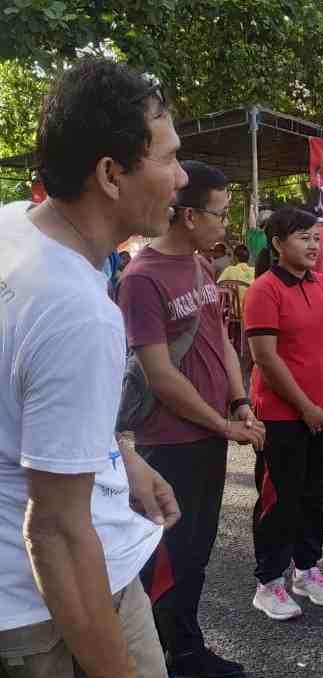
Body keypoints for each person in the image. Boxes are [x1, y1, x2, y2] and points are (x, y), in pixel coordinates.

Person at [0, 57, 184, 678]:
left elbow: (29, 393)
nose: (181, 177)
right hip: (47, 605)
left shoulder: (11, 225)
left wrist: (118, 457)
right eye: (168, 158)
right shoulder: (78, 312)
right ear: (110, 174)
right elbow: (53, 531)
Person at [118, 160, 265, 677]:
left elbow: (219, 338)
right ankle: (160, 655)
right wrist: (223, 425)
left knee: (198, 548)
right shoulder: (142, 278)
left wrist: (239, 400)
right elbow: (159, 374)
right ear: (188, 215)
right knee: (168, 554)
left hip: (208, 436)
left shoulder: (201, 267)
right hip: (169, 443)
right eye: (220, 213)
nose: (226, 222)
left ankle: (184, 648)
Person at [244, 207, 323, 622]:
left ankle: (306, 569)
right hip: (282, 416)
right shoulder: (265, 290)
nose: (313, 245)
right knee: (280, 498)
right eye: (303, 237)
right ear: (277, 244)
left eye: (315, 237)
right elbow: (265, 358)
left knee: (316, 492)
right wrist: (305, 407)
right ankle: (269, 581)